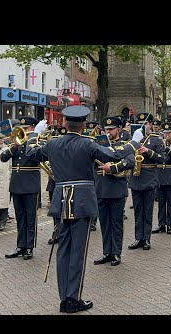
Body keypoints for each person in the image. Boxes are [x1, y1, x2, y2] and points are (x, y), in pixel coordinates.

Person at [25, 105, 143, 314]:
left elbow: (31, 152)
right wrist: (134, 141)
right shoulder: (87, 144)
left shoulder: (53, 144)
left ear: (64, 124)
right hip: (81, 200)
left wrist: (35, 133)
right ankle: (72, 298)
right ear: (83, 126)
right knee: (77, 252)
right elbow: (114, 155)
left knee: (63, 251)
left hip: (61, 200)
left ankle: (64, 297)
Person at [93, 116, 135, 266]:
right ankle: (107, 252)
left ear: (118, 129)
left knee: (116, 223)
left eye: (111, 129)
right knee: (104, 223)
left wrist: (112, 168)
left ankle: (116, 253)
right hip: (100, 188)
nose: (108, 132)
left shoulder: (124, 145)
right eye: (106, 129)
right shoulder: (98, 144)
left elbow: (130, 161)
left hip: (116, 188)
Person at [1, 117, 41, 260]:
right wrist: (14, 146)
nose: (22, 130)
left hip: (30, 184)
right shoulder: (15, 142)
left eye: (25, 128)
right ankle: (20, 246)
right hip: (17, 184)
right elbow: (3, 158)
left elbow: (39, 156)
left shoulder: (37, 139)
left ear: (31, 128)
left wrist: (29, 141)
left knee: (30, 217)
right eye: (21, 128)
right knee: (20, 217)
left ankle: (29, 247)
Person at [127, 112, 165, 251]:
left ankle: (146, 239)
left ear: (150, 124)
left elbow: (162, 158)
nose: (144, 126)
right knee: (138, 210)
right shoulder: (133, 138)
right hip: (136, 177)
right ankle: (138, 238)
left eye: (146, 124)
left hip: (149, 177)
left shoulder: (156, 140)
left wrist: (148, 151)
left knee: (147, 210)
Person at [152, 122, 171, 235]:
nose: (167, 135)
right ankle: (161, 224)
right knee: (161, 202)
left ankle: (169, 224)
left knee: (170, 201)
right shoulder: (158, 144)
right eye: (165, 133)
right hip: (160, 175)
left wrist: (166, 147)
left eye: (169, 133)